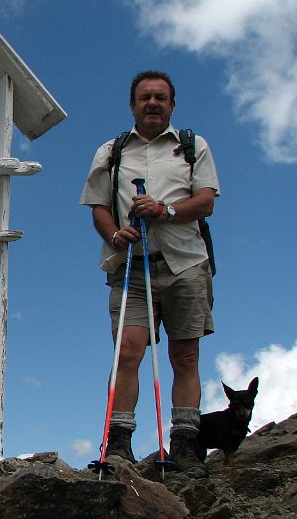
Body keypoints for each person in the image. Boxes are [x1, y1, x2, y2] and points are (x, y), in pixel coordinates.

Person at [79, 70, 220, 476]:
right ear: (133, 105)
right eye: (145, 97)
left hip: (186, 263)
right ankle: (118, 442)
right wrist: (115, 234)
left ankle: (186, 443)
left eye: (160, 97)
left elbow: (206, 201)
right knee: (128, 351)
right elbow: (99, 207)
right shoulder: (112, 151)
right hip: (131, 267)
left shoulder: (192, 147)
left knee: (185, 353)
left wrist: (165, 210)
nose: (153, 103)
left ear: (171, 105)